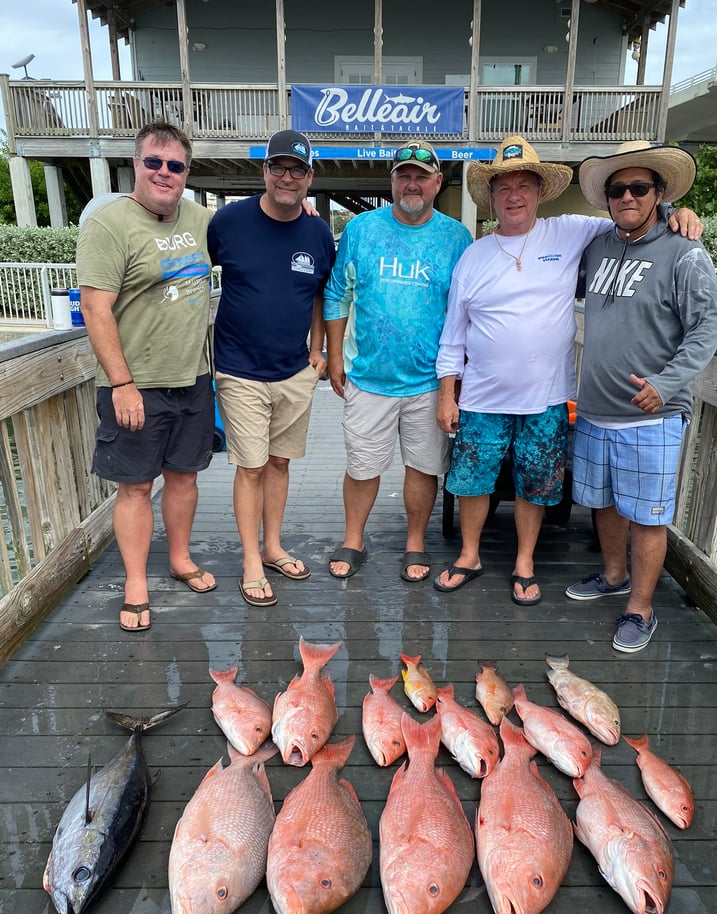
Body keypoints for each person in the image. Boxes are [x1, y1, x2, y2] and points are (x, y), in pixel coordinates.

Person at [434, 135, 701, 605]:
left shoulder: (573, 230)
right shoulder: (472, 256)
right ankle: (469, 555)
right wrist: (446, 393)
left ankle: (524, 562)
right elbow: (454, 334)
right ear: (491, 198)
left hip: (547, 396)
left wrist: (678, 210)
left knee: (534, 484)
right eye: (503, 188)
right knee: (472, 481)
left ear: (540, 192)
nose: (514, 195)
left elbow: (634, 215)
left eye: (523, 185)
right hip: (480, 396)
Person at [565, 140, 717, 652]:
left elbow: (706, 328)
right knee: (605, 503)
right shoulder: (598, 246)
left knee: (650, 517)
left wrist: (666, 384)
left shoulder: (684, 250)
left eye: (640, 187)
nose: (627, 196)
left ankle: (641, 608)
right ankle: (613, 576)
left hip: (651, 414)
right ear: (606, 198)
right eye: (618, 189)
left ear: (659, 193)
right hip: (594, 411)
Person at [77, 121, 216, 632]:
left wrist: (302, 212)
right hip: (134, 382)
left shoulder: (201, 220)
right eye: (153, 162)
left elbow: (256, 227)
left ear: (186, 172)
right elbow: (96, 308)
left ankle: (179, 559)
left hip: (194, 376)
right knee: (135, 487)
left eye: (175, 165)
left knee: (184, 477)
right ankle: (136, 581)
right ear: (136, 164)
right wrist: (122, 383)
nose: (164, 172)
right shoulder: (110, 224)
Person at [323, 140, 473, 583]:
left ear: (437, 183)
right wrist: (335, 356)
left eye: (421, 176)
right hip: (368, 376)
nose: (412, 183)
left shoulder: (456, 237)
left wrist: (457, 380)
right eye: (404, 175)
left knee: (424, 467)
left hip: (430, 381)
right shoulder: (361, 229)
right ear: (392, 181)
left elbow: (467, 309)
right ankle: (354, 538)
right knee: (362, 465)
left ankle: (415, 541)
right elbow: (337, 292)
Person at [208, 130, 335, 607]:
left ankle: (273, 545)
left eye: (297, 169)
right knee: (252, 466)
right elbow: (192, 266)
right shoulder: (227, 222)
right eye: (278, 167)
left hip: (294, 370)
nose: (287, 177)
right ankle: (250, 561)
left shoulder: (317, 231)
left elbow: (322, 292)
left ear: (309, 177)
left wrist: (318, 349)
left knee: (280, 462)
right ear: (264, 171)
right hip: (240, 368)